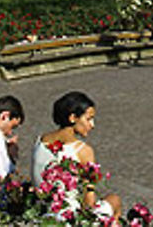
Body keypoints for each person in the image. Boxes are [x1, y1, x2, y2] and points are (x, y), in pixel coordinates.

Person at [31, 91, 121, 222]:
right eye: (88, 119)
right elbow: (88, 203)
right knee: (115, 200)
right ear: (73, 118)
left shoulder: (40, 141)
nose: (92, 125)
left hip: (44, 215)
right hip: (71, 219)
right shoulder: (83, 151)